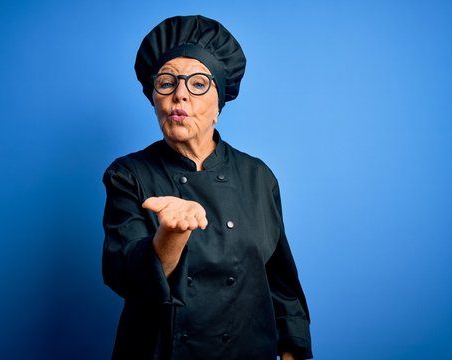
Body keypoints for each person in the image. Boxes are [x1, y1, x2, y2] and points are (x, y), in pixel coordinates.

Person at [102, 15, 312, 360]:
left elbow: (281, 284)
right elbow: (125, 278)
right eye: (166, 82)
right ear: (153, 97)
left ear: (220, 101)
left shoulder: (258, 177)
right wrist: (171, 233)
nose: (179, 95)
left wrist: (291, 352)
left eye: (198, 83)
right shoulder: (129, 174)